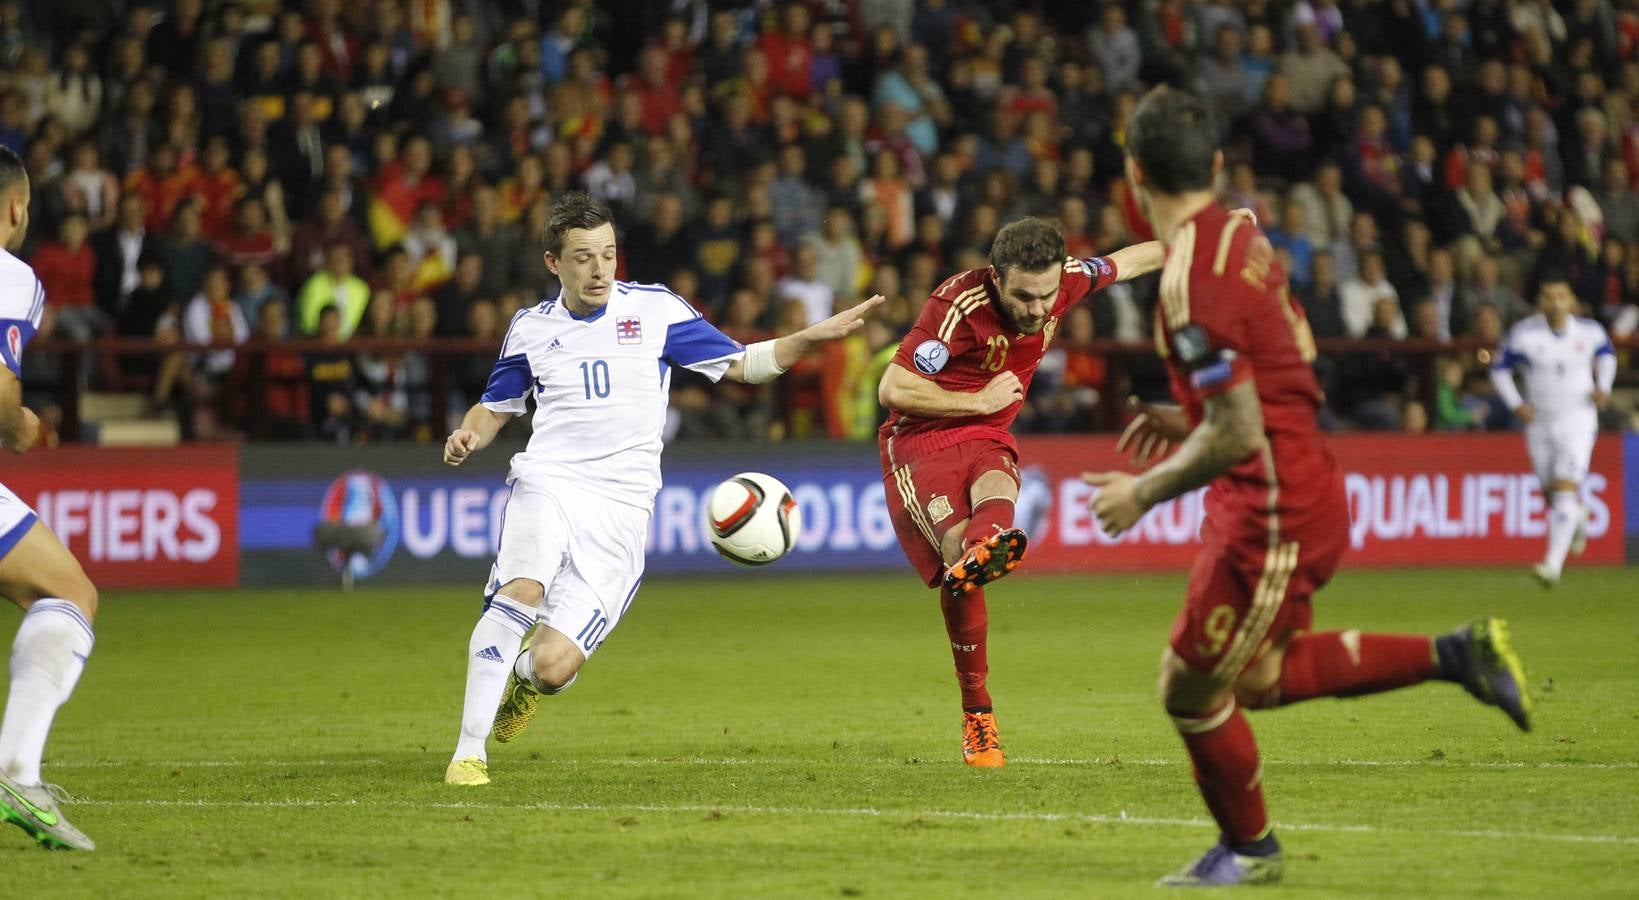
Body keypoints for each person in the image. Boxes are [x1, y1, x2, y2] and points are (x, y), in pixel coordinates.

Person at [1084, 88, 1530, 887]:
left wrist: (1142, 492)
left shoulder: (1189, 283)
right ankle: (1456, 654)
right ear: (1216, 166)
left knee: (1188, 687)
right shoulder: (1242, 234)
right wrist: (1189, 410)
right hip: (1290, 479)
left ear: (1134, 172)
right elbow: (1276, 368)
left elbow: (1239, 430)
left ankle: (1251, 851)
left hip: (1272, 509)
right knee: (1254, 676)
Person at [440, 193, 881, 787]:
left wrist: (810, 336)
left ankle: (523, 678)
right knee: (520, 589)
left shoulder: (655, 312)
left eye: (609, 255)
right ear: (553, 263)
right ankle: (469, 753)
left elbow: (744, 365)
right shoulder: (531, 327)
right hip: (549, 481)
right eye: (583, 258)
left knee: (552, 666)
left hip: (622, 510)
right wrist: (468, 433)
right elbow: (494, 408)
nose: (600, 270)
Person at [875, 215, 1165, 767]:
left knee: (994, 487)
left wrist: (1210, 236)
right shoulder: (957, 305)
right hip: (921, 441)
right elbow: (894, 387)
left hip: (989, 435)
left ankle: (987, 546)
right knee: (960, 556)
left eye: (1048, 296)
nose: (1038, 310)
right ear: (998, 278)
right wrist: (978, 401)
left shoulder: (1064, 282)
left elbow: (1132, 260)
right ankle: (977, 712)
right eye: (1025, 297)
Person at [0, 146, 99, 851]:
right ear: (13, 207)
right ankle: (17, 771)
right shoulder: (11, 277)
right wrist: (23, 423)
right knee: (67, 590)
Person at [1489, 275, 1616, 586]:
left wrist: (1603, 387)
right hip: (1540, 422)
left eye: (1561, 295)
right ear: (1540, 302)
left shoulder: (1589, 331)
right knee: (1553, 494)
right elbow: (1499, 369)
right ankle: (1578, 516)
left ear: (1571, 300)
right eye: (1549, 296)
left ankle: (1551, 565)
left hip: (1578, 420)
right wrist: (1516, 403)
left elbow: (1607, 355)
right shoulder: (1524, 335)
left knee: (1563, 488)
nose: (1556, 301)